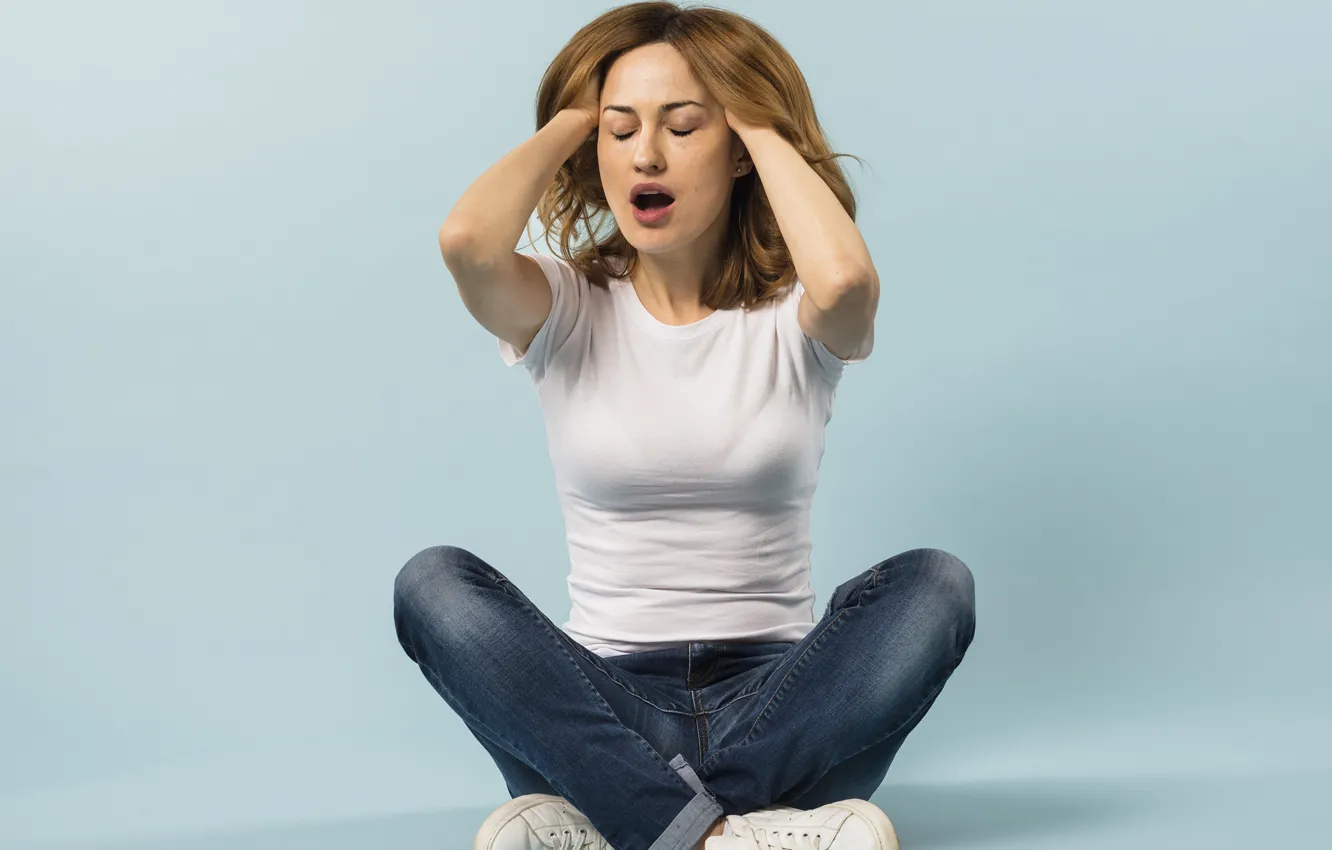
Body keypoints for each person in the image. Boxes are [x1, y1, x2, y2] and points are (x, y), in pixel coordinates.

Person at [395, 3, 976, 849]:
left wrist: (757, 123)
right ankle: (730, 836)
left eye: (683, 125)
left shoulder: (795, 314)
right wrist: (576, 115)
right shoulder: (564, 304)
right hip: (599, 715)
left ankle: (619, 825)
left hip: (781, 709)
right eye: (620, 129)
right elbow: (468, 244)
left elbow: (846, 280)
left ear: (736, 149)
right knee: (432, 585)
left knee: (937, 587)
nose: (646, 154)